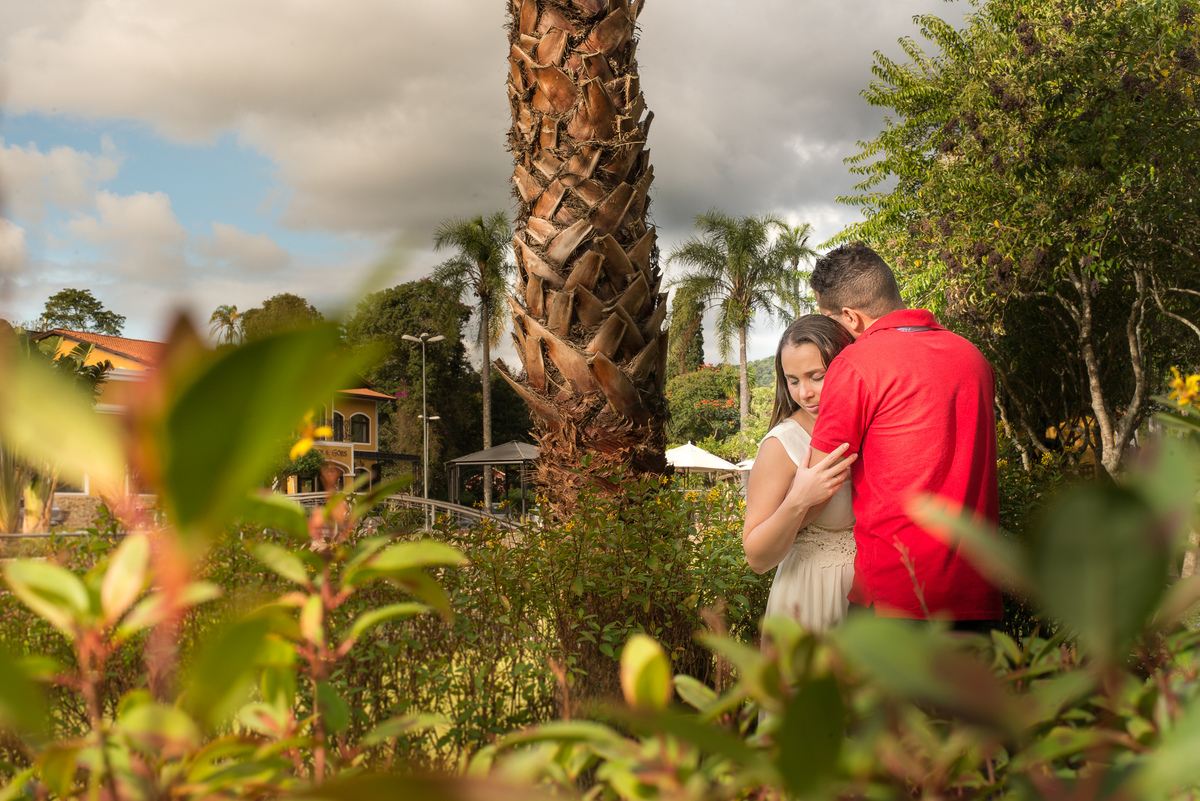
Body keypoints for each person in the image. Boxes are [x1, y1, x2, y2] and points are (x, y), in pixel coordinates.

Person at [807, 242, 1002, 629]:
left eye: (829, 319)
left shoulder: (856, 365)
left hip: (896, 596)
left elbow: (818, 481)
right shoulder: (972, 357)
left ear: (850, 317)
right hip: (976, 594)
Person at [742, 315, 858, 632]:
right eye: (793, 380)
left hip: (871, 601)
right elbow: (757, 557)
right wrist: (799, 499)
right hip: (811, 600)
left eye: (816, 377)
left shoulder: (870, 425)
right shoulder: (782, 444)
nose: (804, 392)